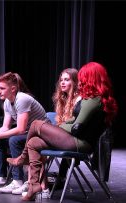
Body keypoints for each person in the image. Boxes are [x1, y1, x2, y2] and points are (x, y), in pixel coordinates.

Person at [7, 62, 118, 201]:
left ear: (90, 78)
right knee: (34, 143)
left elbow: (77, 127)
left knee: (36, 124)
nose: (81, 80)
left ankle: (22, 158)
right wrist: (56, 128)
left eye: (83, 77)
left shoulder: (93, 100)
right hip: (75, 140)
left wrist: (55, 129)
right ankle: (34, 185)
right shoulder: (91, 99)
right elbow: (72, 120)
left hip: (79, 143)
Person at [0, 72, 47, 195]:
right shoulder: (7, 102)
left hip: (42, 133)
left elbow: (20, 129)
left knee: (14, 140)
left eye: (2, 88)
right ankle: (1, 176)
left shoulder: (22, 99)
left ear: (13, 88)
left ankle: (18, 180)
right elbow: (5, 127)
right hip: (28, 133)